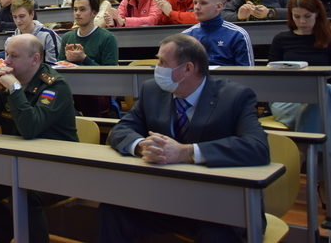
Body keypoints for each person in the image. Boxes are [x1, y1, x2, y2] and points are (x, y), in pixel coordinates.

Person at [99, 34, 269, 243]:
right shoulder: (152, 90)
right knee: (114, 211)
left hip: (220, 203)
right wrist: (142, 146)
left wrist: (186, 152)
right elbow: (122, 128)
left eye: (163, 62)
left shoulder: (234, 97)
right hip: (168, 198)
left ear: (187, 69)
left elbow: (257, 147)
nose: (157, 68)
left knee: (216, 233)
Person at [0, 34, 78, 243]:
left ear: (35, 59)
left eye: (14, 56)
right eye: (6, 54)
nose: (6, 61)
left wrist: (14, 90)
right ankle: (16, 237)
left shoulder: (54, 86)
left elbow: (30, 128)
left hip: (57, 166)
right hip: (19, 164)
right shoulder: (7, 83)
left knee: (24, 197)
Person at [268, 0, 331, 129]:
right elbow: (271, 75)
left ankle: (306, 142)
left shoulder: (328, 38)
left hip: (323, 95)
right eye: (296, 16)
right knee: (317, 113)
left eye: (307, 16)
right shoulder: (281, 39)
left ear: (317, 14)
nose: (302, 21)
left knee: (320, 101)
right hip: (287, 98)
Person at [59, 0, 119, 117]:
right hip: (72, 87)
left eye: (82, 9)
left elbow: (110, 76)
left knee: (86, 96)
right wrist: (67, 61)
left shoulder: (107, 38)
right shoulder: (67, 37)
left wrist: (84, 59)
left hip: (98, 90)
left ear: (94, 13)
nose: (77, 13)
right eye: (75, 9)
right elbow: (59, 68)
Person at [182, 0, 255, 66]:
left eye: (203, 3)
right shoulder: (186, 36)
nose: (197, 7)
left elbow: (247, 71)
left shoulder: (237, 34)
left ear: (219, 6)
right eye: (195, 3)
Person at [5, 0, 61, 64]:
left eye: (22, 16)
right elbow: (9, 65)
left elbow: (54, 66)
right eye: (15, 17)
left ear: (32, 14)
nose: (18, 21)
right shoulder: (10, 41)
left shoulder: (48, 36)